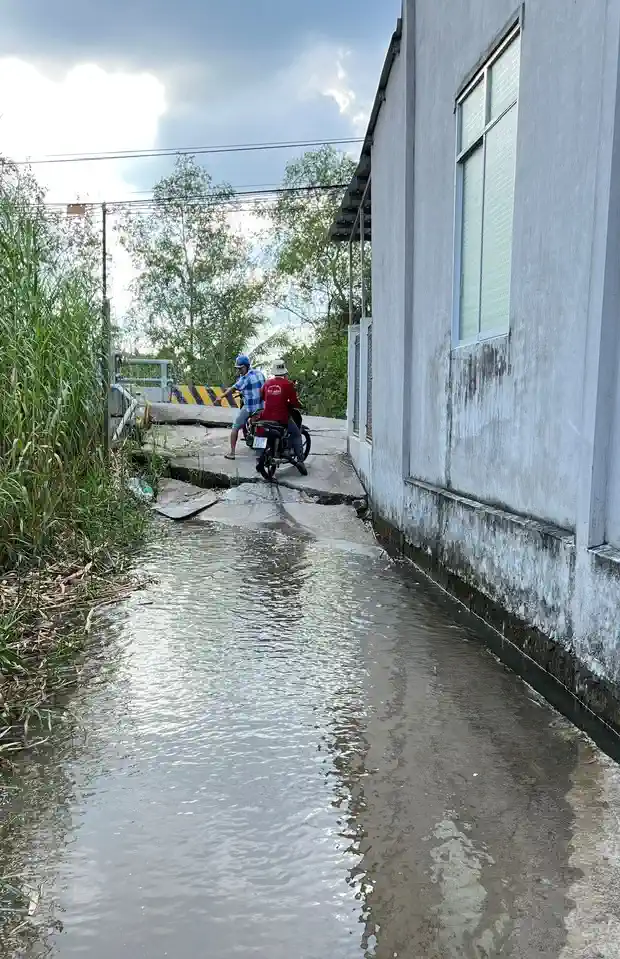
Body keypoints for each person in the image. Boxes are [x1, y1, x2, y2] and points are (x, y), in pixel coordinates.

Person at [260, 359, 307, 476]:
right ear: (284, 372)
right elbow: (294, 402)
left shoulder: (267, 383)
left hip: (265, 416)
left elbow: (263, 397)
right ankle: (300, 461)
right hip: (281, 417)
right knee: (296, 434)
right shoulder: (288, 384)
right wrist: (301, 406)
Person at [216, 354, 265, 460]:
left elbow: (233, 389)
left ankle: (232, 453)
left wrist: (222, 396)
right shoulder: (260, 374)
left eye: (240, 368)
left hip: (249, 407)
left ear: (246, 366)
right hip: (261, 407)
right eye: (238, 368)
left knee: (235, 427)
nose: (239, 371)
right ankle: (260, 455)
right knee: (260, 430)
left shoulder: (245, 378)